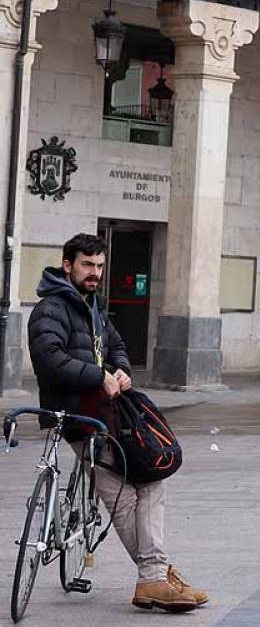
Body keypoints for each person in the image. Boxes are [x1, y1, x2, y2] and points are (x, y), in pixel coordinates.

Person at [26, 233, 207, 612]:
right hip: (78, 417)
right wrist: (97, 375)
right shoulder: (51, 310)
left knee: (152, 475)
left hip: (108, 413)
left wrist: (121, 370)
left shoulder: (93, 306)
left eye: (100, 266)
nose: (95, 273)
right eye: (87, 265)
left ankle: (157, 575)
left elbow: (117, 346)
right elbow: (49, 360)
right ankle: (154, 578)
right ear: (68, 265)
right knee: (127, 493)